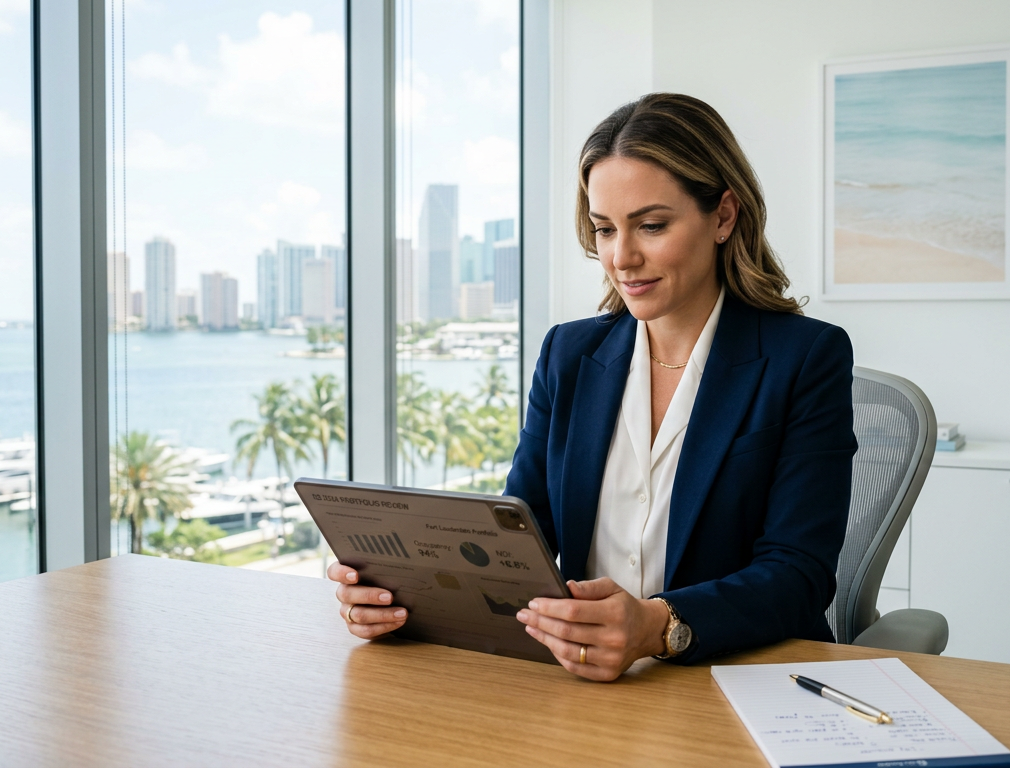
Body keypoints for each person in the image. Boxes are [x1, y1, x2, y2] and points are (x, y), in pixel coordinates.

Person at [328, 93, 857, 681]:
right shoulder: (569, 354)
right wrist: (400, 599)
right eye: (605, 229)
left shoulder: (805, 357)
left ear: (724, 217)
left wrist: (659, 627)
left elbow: (798, 574)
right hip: (581, 682)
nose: (622, 257)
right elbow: (519, 532)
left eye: (651, 226)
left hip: (738, 678)